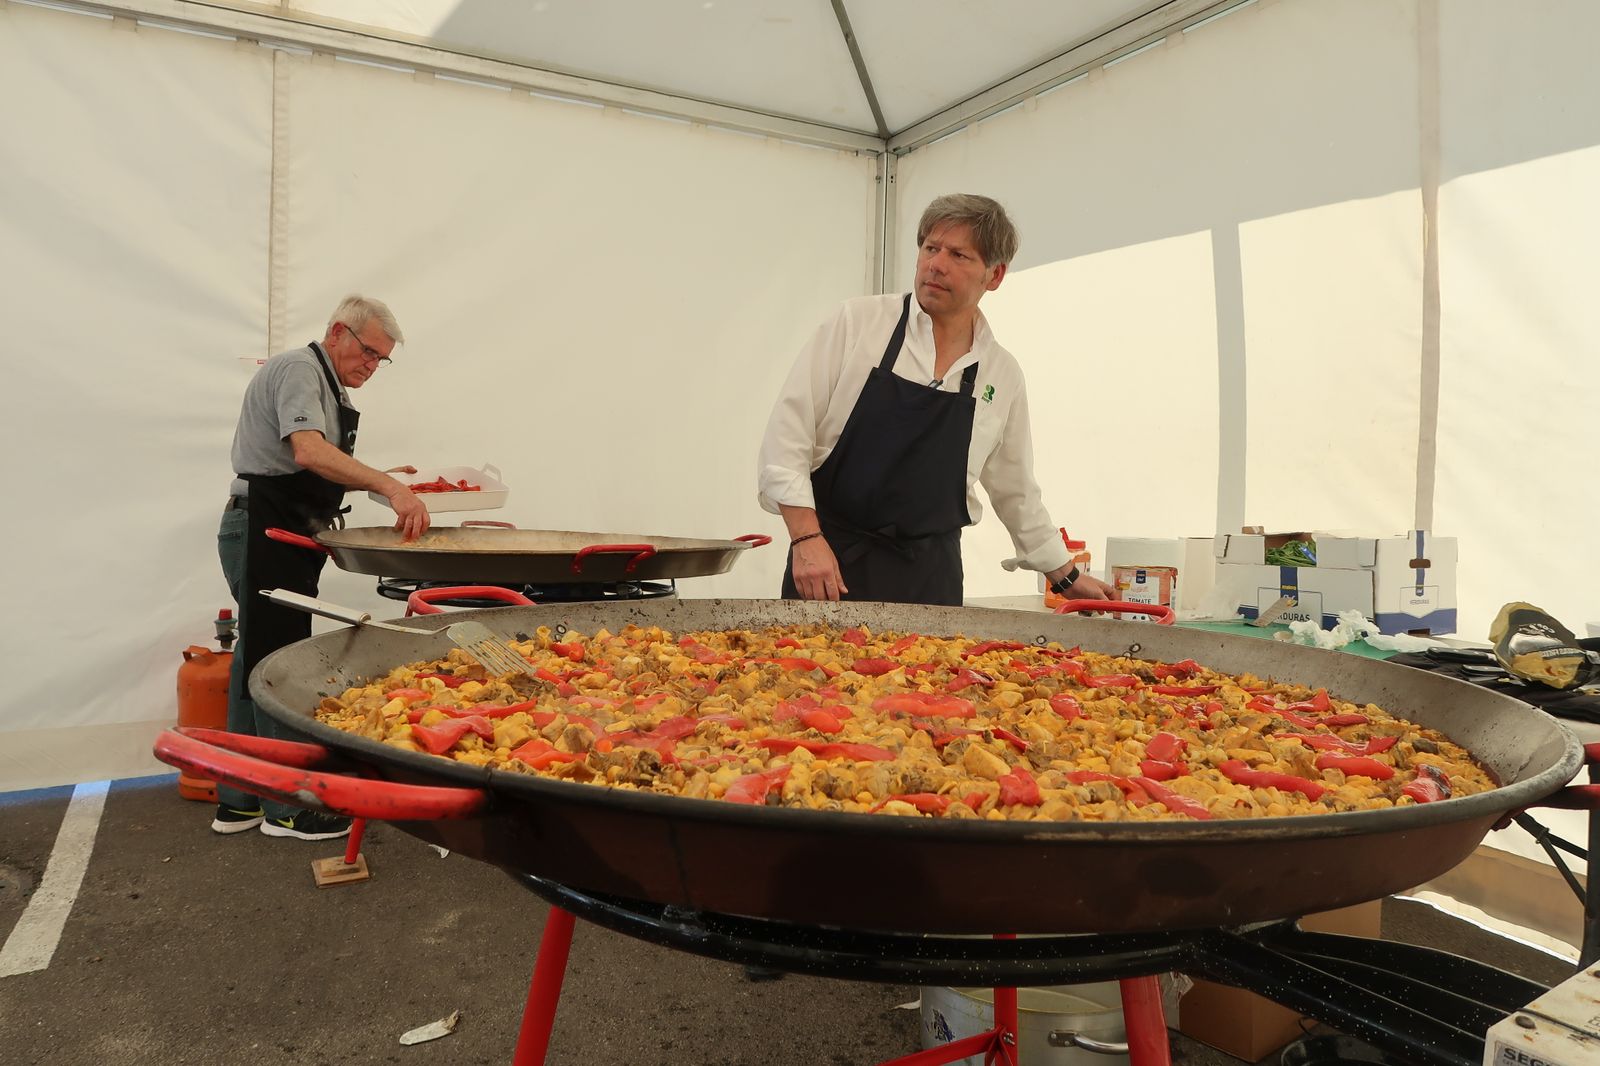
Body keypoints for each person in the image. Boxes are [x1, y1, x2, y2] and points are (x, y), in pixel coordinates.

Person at [757, 193, 1115, 607]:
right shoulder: (857, 323)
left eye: (959, 255)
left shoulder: (1001, 374)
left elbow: (1016, 492)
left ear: (994, 275)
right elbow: (786, 440)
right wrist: (805, 538)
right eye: (930, 248)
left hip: (932, 581)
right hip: (829, 566)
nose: (936, 264)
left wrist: (1067, 576)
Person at [213, 295, 431, 840]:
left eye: (382, 360)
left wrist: (385, 474)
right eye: (368, 352)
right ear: (338, 332)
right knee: (276, 657)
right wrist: (386, 483)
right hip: (260, 527)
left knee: (254, 652)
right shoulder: (298, 369)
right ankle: (288, 808)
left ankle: (240, 798)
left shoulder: (327, 384)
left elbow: (318, 464)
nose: (372, 366)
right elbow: (308, 453)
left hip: (280, 529)